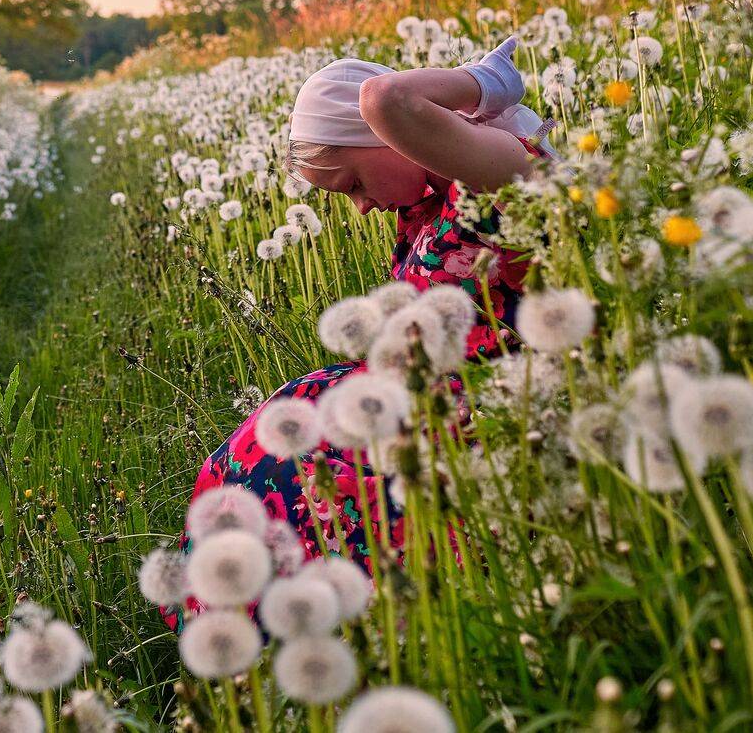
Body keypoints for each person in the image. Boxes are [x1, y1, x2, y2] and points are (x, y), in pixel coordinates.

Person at [165, 36, 553, 629]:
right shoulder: (428, 206)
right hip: (426, 406)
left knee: (290, 473)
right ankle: (255, 640)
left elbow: (384, 95)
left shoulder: (498, 166)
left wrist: (485, 82)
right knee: (255, 462)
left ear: (382, 136)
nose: (361, 208)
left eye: (350, 184)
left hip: (493, 417)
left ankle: (333, 630)